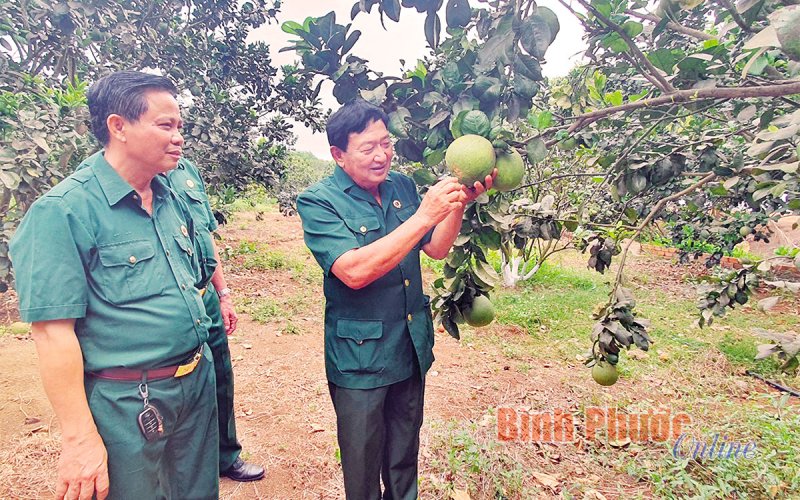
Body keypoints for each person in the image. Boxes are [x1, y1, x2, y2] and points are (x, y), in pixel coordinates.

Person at [10, 71, 218, 499]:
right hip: (127, 402)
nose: (179, 137)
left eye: (180, 126)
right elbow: (52, 332)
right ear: (118, 127)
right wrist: (78, 439)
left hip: (196, 384)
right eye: (165, 125)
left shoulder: (169, 196)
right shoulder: (63, 212)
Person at [296, 99, 493, 499]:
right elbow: (353, 271)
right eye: (368, 147)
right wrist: (424, 215)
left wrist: (458, 205)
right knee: (364, 468)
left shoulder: (401, 186)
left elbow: (436, 248)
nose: (382, 154)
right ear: (338, 154)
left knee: (403, 460)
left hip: (407, 347)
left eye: (386, 143)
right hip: (360, 359)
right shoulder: (319, 202)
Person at [165, 160, 266, 482]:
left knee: (220, 376)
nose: (175, 137)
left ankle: (225, 456)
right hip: (170, 303)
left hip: (204, 294)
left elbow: (206, 237)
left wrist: (223, 294)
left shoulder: (186, 171)